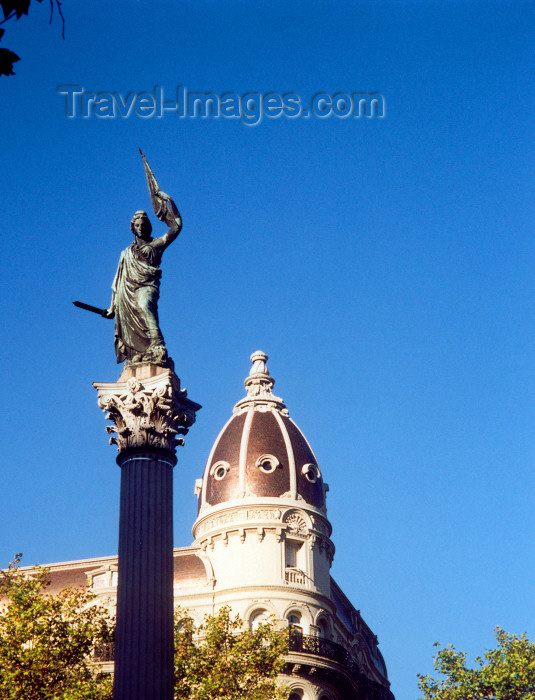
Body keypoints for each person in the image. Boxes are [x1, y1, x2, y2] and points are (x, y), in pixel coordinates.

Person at [105, 204, 181, 366]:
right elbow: (117, 282)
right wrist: (112, 307)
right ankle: (140, 353)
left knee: (144, 304)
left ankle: (158, 343)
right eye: (137, 225)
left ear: (149, 227)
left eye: (144, 225)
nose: (141, 228)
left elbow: (176, 227)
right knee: (131, 323)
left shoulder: (156, 244)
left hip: (147, 284)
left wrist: (167, 202)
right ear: (133, 228)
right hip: (127, 290)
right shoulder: (126, 253)